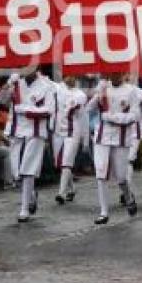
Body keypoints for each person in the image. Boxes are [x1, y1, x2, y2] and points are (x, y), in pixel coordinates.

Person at [0, 70, 55, 223]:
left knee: (28, 169)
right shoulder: (15, 83)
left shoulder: (47, 85)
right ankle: (31, 194)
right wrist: (8, 84)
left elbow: (49, 110)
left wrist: (26, 110)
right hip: (16, 130)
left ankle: (24, 209)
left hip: (35, 131)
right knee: (16, 173)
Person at [89, 74, 140, 224]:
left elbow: (134, 116)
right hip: (102, 137)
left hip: (121, 138)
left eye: (118, 72)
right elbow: (88, 108)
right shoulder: (104, 88)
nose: (114, 76)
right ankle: (104, 212)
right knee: (101, 173)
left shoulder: (131, 91)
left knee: (121, 177)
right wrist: (98, 93)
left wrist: (112, 117)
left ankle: (129, 197)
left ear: (124, 74)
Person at [52, 76, 90, 205]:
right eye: (67, 75)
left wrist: (86, 140)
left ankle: (61, 193)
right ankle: (72, 188)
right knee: (60, 164)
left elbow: (84, 117)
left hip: (73, 131)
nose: (70, 78)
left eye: (72, 75)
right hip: (58, 132)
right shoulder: (58, 89)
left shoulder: (80, 95)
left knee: (66, 162)